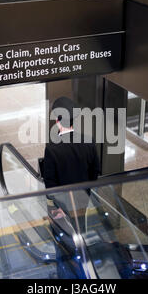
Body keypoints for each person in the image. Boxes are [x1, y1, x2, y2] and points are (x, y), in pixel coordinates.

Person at [42, 96, 101, 278]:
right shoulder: (89, 142)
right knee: (80, 233)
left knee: (62, 241)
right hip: (82, 202)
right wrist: (86, 196)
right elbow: (95, 174)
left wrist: (56, 206)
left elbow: (50, 183)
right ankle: (83, 268)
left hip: (61, 206)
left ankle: (65, 272)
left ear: (57, 120)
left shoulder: (52, 148)